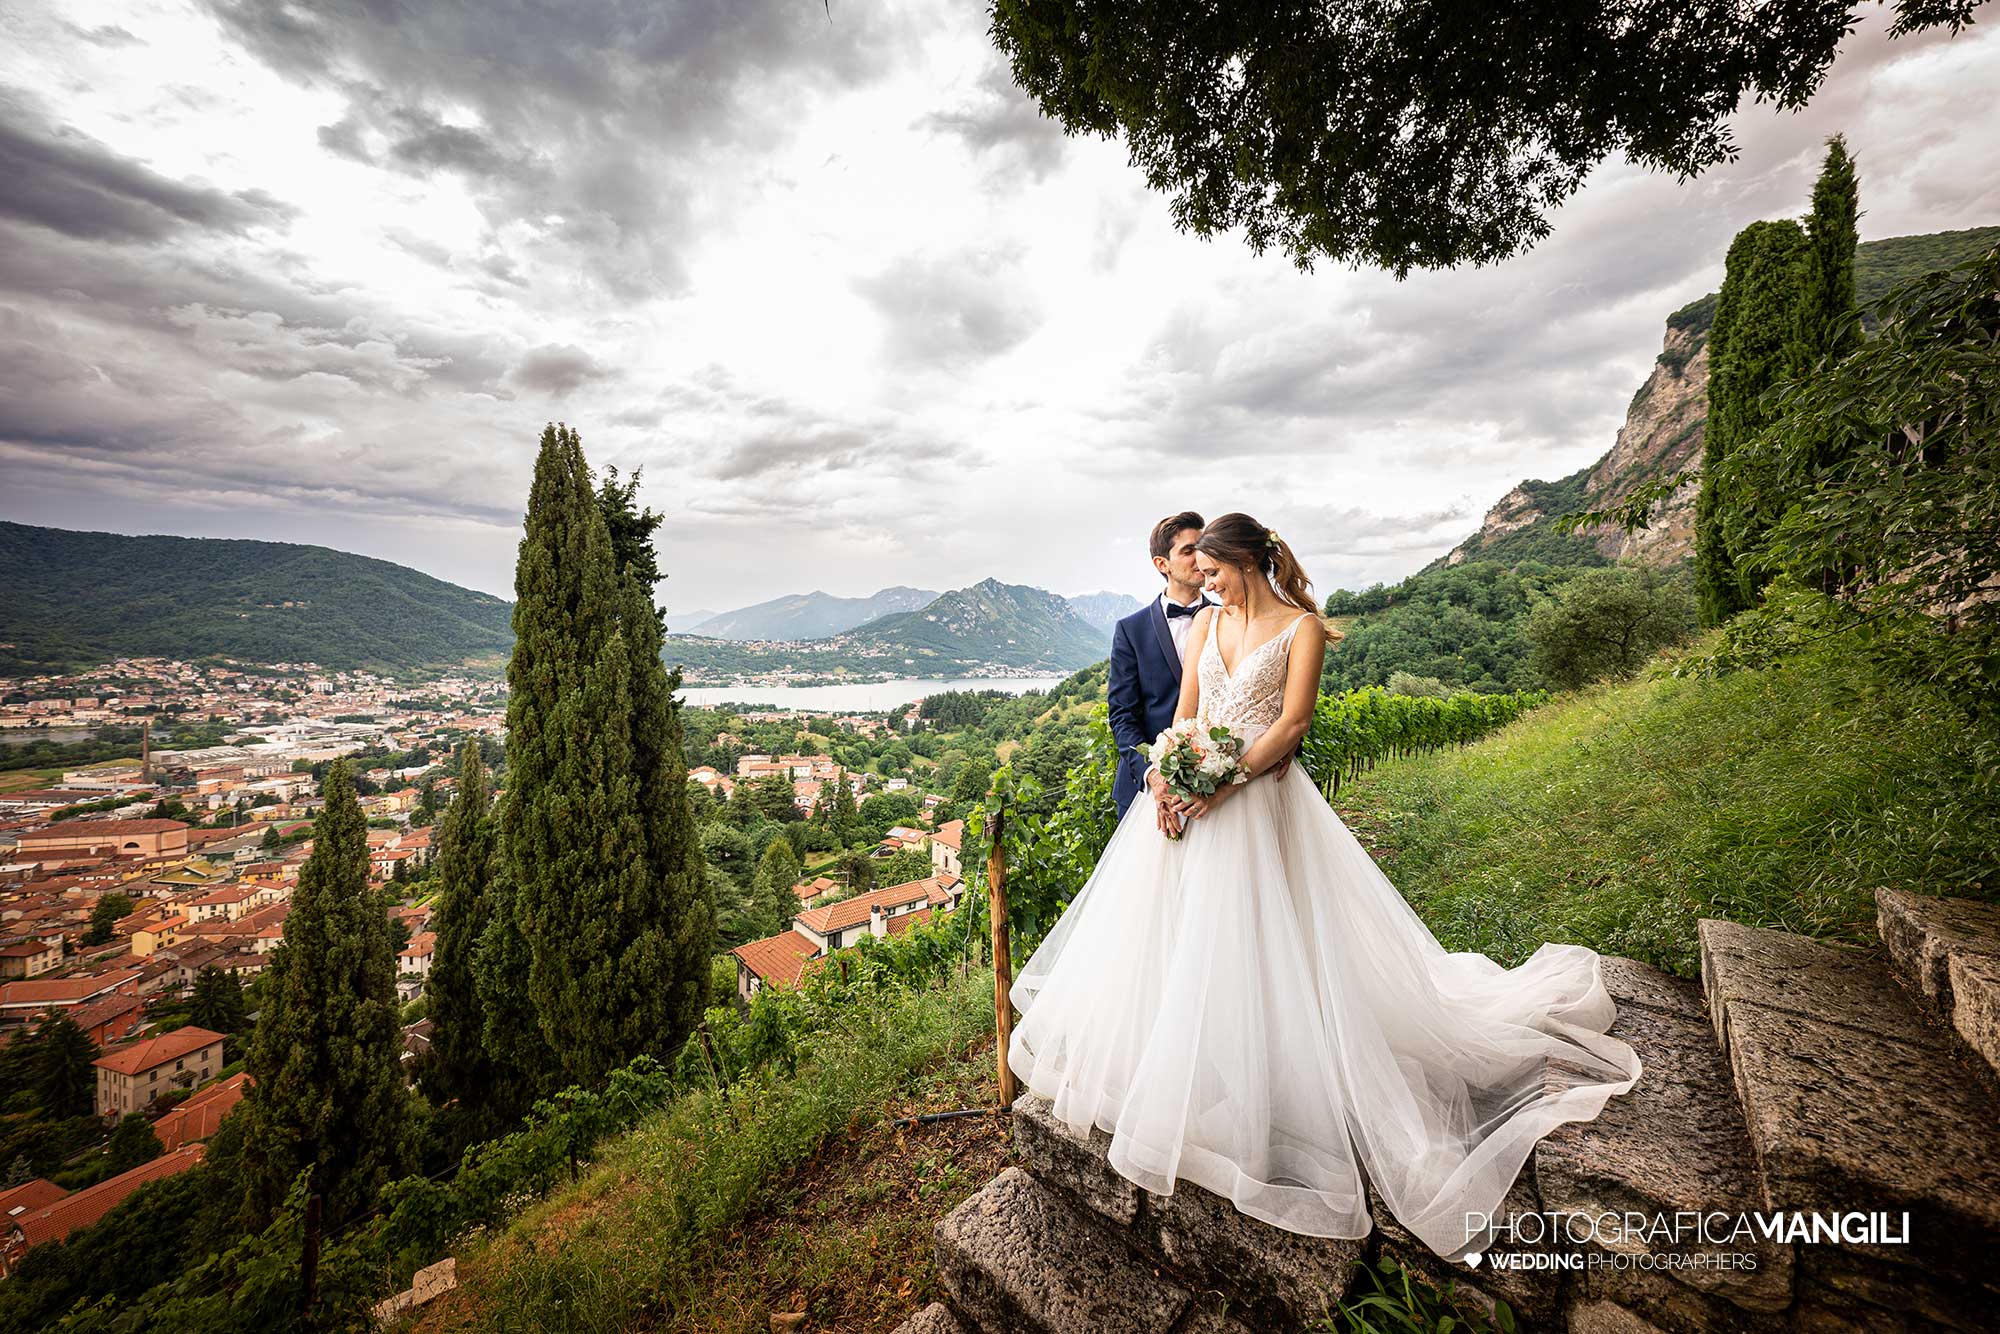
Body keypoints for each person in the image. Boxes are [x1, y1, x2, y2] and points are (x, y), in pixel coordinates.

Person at [1006, 512, 1643, 1262]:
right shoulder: (1207, 623)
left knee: (1268, 930)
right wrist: (1168, 775)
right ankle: (1198, 1060)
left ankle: (1278, 1064)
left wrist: (1225, 781)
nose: (1205, 584)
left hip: (1256, 800)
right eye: (1199, 572)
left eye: (1213, 571)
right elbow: (1185, 713)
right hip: (1190, 796)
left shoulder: (1301, 628)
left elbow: (1292, 722)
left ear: (1246, 562)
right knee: (1182, 931)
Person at [1106, 511, 1210, 819]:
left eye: (1203, 547)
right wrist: (1153, 774)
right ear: (1162, 564)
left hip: (1215, 786)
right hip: (1147, 792)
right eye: (1188, 550)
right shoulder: (1130, 630)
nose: (1200, 557)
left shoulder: (1230, 619)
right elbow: (1122, 714)